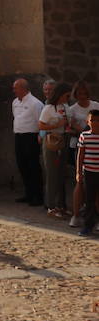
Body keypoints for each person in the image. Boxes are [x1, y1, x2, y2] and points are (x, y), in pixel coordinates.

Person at [39, 81, 72, 218]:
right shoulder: (49, 108)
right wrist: (57, 124)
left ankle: (60, 205)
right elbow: (41, 125)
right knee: (52, 175)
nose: (68, 97)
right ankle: (50, 206)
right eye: (66, 95)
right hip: (52, 141)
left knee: (61, 175)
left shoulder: (65, 106)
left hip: (63, 140)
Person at [11, 78, 44, 206]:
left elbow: (40, 122)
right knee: (22, 165)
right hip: (18, 136)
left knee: (33, 166)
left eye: (16, 88)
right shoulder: (15, 102)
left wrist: (40, 136)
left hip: (31, 137)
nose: (14, 91)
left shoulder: (35, 103)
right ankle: (29, 193)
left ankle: (38, 196)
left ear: (24, 88)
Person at [67, 82, 93, 228]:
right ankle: (77, 213)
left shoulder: (95, 106)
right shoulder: (72, 109)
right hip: (80, 144)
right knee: (80, 180)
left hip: (95, 145)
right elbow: (71, 126)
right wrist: (82, 129)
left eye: (84, 93)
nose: (82, 96)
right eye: (79, 94)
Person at [75, 105, 99, 237]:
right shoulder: (84, 136)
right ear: (87, 122)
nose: (95, 123)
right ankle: (88, 226)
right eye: (92, 120)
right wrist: (79, 172)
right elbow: (81, 155)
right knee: (89, 200)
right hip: (89, 172)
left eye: (97, 120)